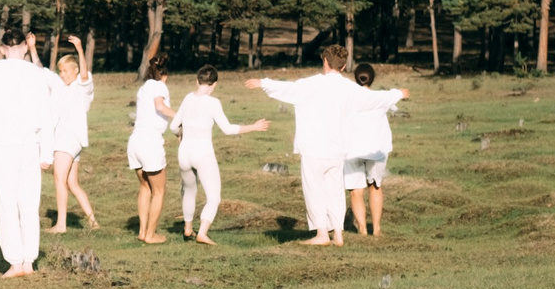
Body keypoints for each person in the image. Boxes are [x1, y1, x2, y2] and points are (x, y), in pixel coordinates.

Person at [247, 45, 370, 246]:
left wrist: (263, 82)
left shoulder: (311, 85)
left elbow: (286, 88)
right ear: (344, 65)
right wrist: (396, 94)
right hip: (337, 150)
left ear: (325, 62)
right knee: (335, 191)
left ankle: (322, 234)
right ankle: (338, 234)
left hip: (313, 149)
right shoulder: (350, 89)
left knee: (314, 190)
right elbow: (373, 99)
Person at [0, 34, 57, 277]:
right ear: (25, 46)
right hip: (28, 144)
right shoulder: (35, 72)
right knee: (28, 202)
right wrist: (47, 150)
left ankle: (16, 261)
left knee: (6, 202)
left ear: (3, 48)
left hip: (4, 144)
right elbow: (47, 114)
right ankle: (28, 261)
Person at [169, 67, 268, 244]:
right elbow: (228, 129)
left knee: (188, 190)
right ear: (214, 84)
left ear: (196, 81)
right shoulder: (213, 103)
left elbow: (173, 126)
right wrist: (253, 127)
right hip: (203, 153)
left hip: (184, 152)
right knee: (214, 197)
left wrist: (180, 135)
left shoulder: (187, 98)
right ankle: (203, 233)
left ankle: (188, 228)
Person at [345, 61, 409, 239]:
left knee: (356, 191)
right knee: (375, 186)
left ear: (355, 79)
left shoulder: (348, 100)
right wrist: (402, 93)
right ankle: (377, 229)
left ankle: (363, 230)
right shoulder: (381, 97)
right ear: (372, 79)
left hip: (352, 150)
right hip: (376, 149)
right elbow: (399, 95)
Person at [48, 35, 98, 232]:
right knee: (72, 182)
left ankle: (61, 224)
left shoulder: (82, 86)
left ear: (74, 71)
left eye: (65, 71)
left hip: (68, 139)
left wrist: (79, 48)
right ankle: (93, 221)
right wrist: (33, 49)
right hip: (70, 140)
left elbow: (84, 72)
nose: (62, 75)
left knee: (58, 179)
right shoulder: (64, 88)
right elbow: (42, 71)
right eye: (60, 71)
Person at [125, 59, 176, 244]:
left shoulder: (144, 87)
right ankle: (151, 234)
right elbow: (160, 106)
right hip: (150, 142)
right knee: (159, 191)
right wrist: (180, 117)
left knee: (145, 188)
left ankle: (142, 230)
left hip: (135, 141)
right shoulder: (159, 86)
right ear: (165, 75)